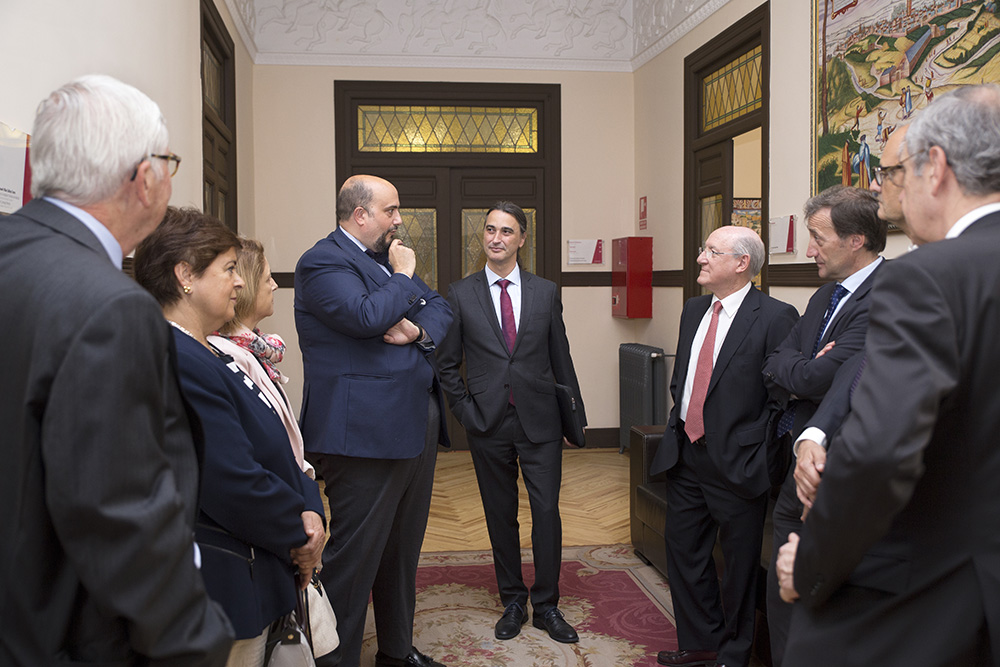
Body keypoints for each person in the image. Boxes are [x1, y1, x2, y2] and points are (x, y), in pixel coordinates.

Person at [0, 74, 233, 666]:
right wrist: (195, 644)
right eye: (169, 163)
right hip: (66, 634)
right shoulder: (111, 308)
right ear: (144, 177)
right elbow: (121, 515)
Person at [778, 84, 1000, 665]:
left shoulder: (927, 276)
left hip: (927, 594)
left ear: (937, 168)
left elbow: (880, 454)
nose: (881, 189)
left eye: (894, 173)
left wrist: (810, 563)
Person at [135, 207, 325, 667]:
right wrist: (299, 533)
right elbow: (231, 479)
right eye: (228, 269)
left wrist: (310, 506)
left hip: (257, 565)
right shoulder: (177, 357)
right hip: (227, 580)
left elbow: (277, 444)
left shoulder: (209, 351)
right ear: (185, 276)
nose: (240, 283)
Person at [295, 174, 453, 667]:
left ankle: (396, 652)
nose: (398, 220)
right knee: (355, 558)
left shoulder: (381, 260)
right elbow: (365, 316)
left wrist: (415, 333)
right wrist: (403, 278)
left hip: (414, 421)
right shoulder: (322, 262)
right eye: (391, 210)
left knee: (401, 550)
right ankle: (334, 660)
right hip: (361, 433)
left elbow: (441, 308)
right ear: (360, 214)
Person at [437, 201, 586, 644]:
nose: (496, 238)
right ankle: (513, 601)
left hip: (541, 420)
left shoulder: (545, 291)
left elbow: (561, 357)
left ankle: (547, 605)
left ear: (522, 238)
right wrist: (465, 412)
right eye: (489, 230)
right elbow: (446, 364)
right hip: (487, 423)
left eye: (506, 231)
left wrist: (574, 419)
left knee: (546, 513)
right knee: (500, 515)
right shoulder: (460, 294)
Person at [651, 226, 798, 667]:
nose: (701, 258)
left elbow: (781, 398)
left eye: (711, 251)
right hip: (687, 454)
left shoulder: (775, 316)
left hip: (740, 463)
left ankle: (734, 654)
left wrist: (759, 452)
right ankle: (701, 643)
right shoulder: (694, 308)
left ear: (741, 263)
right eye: (703, 249)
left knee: (738, 567)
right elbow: (685, 376)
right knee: (684, 553)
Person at [761, 185, 885, 666]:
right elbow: (778, 362)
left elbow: (822, 378)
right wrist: (805, 369)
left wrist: (804, 370)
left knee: (825, 595)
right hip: (798, 458)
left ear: (856, 240)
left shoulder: (887, 296)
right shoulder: (824, 296)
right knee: (782, 588)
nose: (809, 249)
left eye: (818, 237)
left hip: (841, 471)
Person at [209, 238, 315, 480]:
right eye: (267, 279)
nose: (275, 286)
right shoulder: (228, 355)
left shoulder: (254, 349)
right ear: (245, 288)